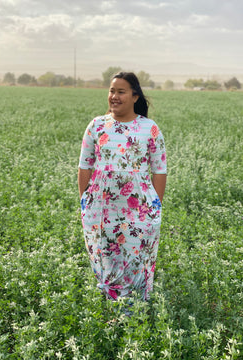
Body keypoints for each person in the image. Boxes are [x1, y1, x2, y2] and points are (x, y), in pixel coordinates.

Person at [78, 72, 167, 302]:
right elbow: (84, 165)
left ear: (135, 96)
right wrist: (85, 202)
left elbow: (159, 170)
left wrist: (155, 206)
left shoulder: (149, 128)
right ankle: (112, 314)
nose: (114, 96)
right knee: (105, 260)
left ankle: (135, 316)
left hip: (140, 210)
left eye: (121, 91)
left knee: (136, 259)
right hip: (100, 210)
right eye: (111, 91)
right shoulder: (96, 125)